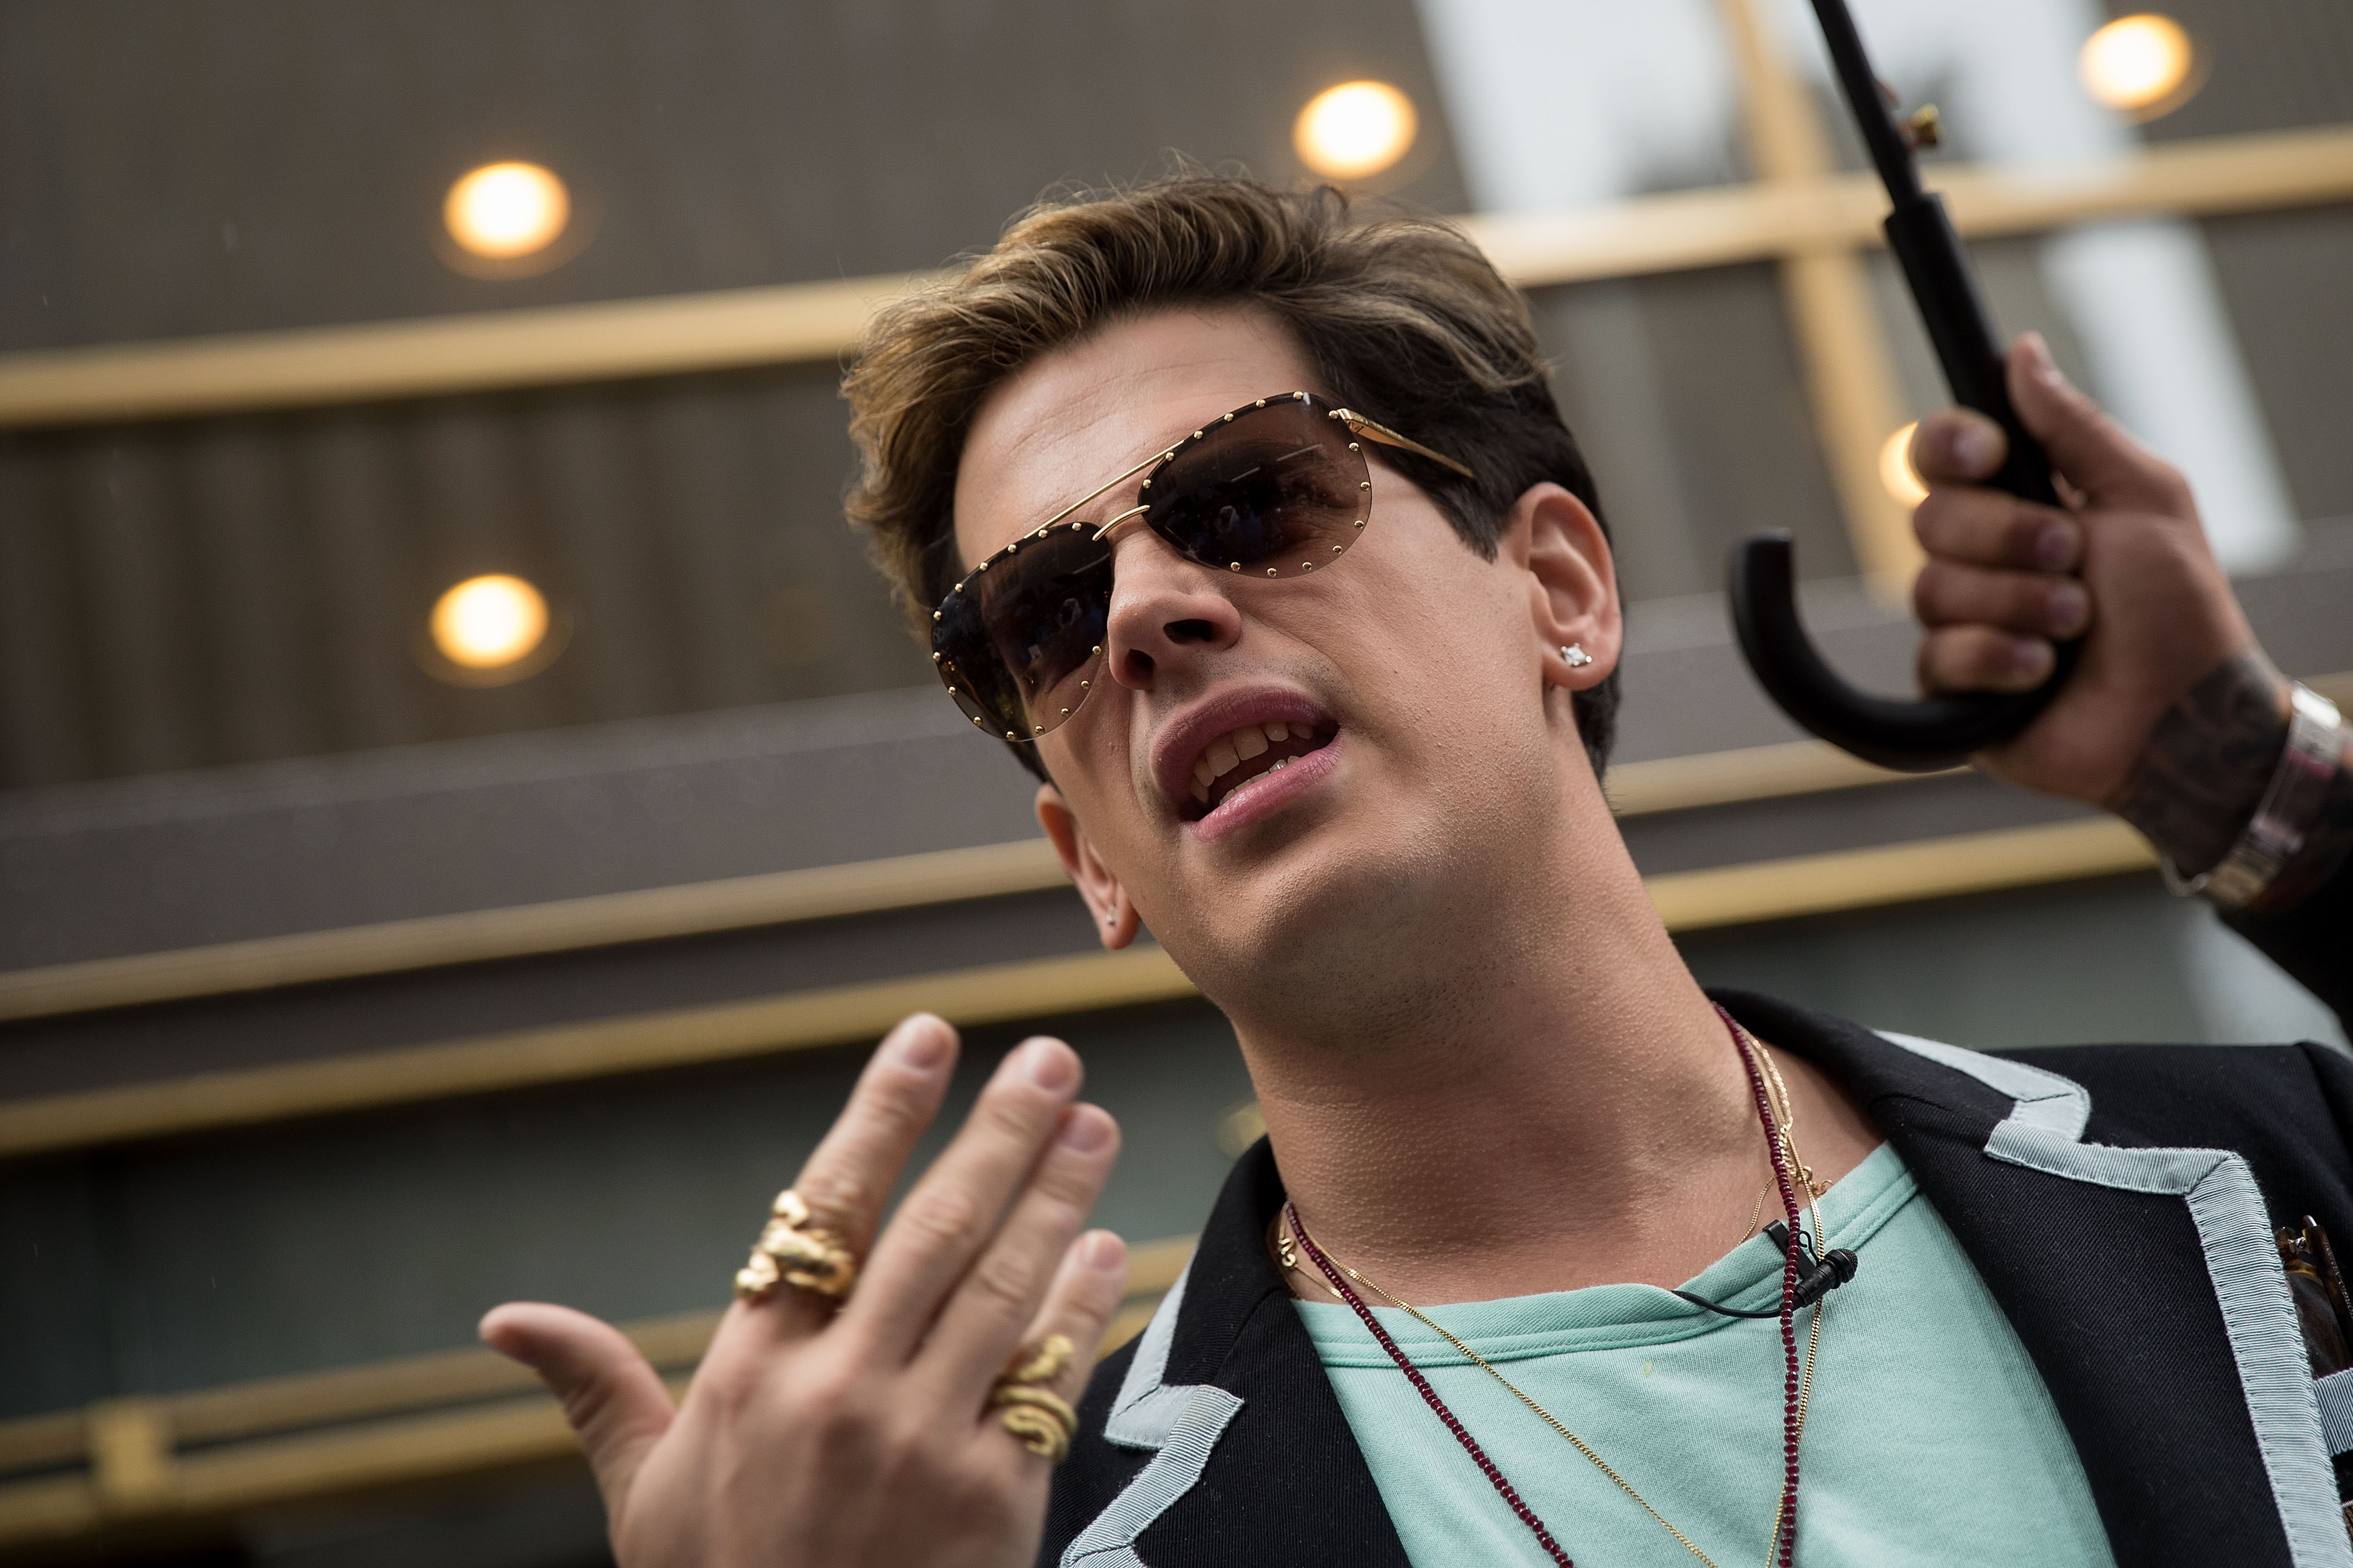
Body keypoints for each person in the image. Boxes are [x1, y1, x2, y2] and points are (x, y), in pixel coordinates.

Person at [480, 176, 2352, 1567]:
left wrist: (2250, 774)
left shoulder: (2282, 1182)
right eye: (1044, 616)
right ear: (1089, 856)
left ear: (1560, 585)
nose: (1144, 608)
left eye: (1251, 496)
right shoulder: (1044, 1540)